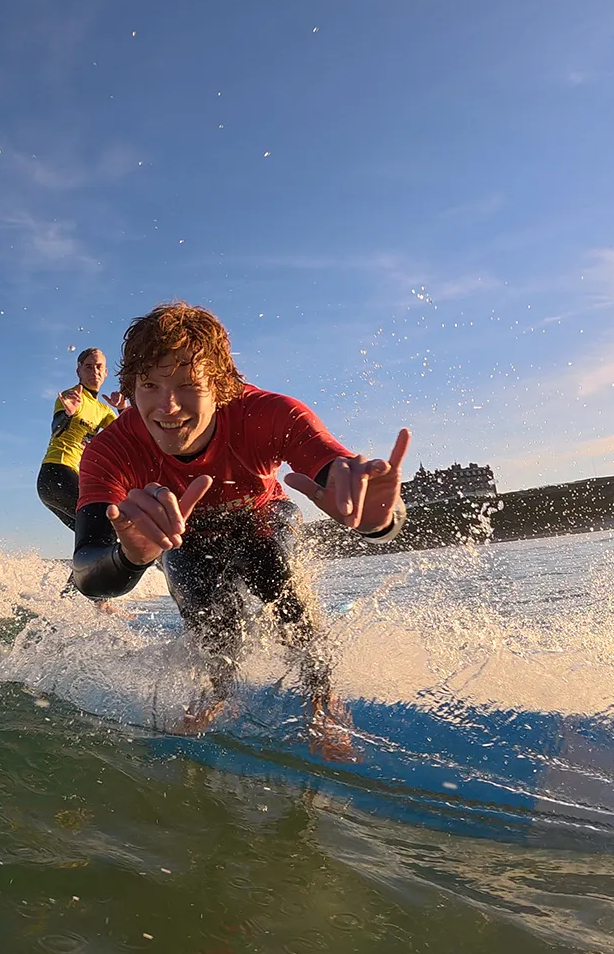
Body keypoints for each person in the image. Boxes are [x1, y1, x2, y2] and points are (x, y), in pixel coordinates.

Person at [69, 302, 410, 762]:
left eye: (188, 385)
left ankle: (322, 699)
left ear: (221, 385)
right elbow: (88, 574)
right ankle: (217, 695)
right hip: (187, 536)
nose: (168, 408)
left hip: (261, 516)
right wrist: (130, 557)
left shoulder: (268, 413)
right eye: (150, 386)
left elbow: (342, 473)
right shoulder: (111, 449)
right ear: (131, 388)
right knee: (211, 626)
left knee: (283, 586)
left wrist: (378, 521)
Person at [35, 347, 126, 530]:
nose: (95, 371)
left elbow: (126, 437)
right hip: (57, 472)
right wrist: (67, 415)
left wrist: (122, 409)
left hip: (68, 478)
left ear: (106, 372)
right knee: (109, 524)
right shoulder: (71, 396)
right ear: (79, 372)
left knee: (90, 533)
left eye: (99, 367)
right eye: (88, 367)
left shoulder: (104, 411)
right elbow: (56, 430)